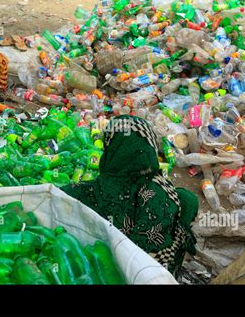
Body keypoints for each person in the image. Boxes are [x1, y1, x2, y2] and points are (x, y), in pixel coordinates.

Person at [61, 115, 199, 274]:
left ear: (111, 150)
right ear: (150, 148)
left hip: (96, 274)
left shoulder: (83, 192)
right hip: (151, 275)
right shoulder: (165, 193)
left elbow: (51, 197)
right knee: (187, 200)